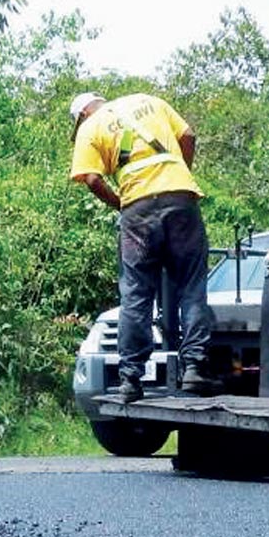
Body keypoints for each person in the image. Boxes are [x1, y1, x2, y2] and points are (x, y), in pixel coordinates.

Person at [69, 90, 221, 403]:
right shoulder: (148, 101)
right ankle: (194, 368)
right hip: (180, 198)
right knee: (192, 285)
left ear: (83, 114)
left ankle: (130, 380)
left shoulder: (90, 127)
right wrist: (180, 177)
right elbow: (188, 135)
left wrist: (120, 204)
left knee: (136, 293)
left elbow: (93, 180)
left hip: (137, 209)